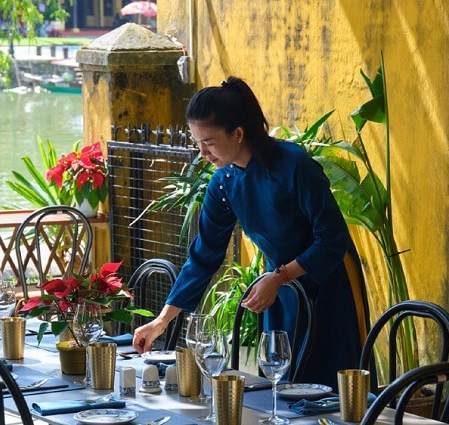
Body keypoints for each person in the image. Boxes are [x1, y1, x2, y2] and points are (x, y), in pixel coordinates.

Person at [132, 76, 369, 389]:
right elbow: (204, 256)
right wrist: (162, 320)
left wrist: (281, 277)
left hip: (329, 283)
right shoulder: (224, 182)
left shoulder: (294, 165)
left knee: (329, 387)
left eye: (209, 142)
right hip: (280, 288)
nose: (202, 153)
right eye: (196, 143)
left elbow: (332, 238)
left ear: (238, 133)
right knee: (281, 385)